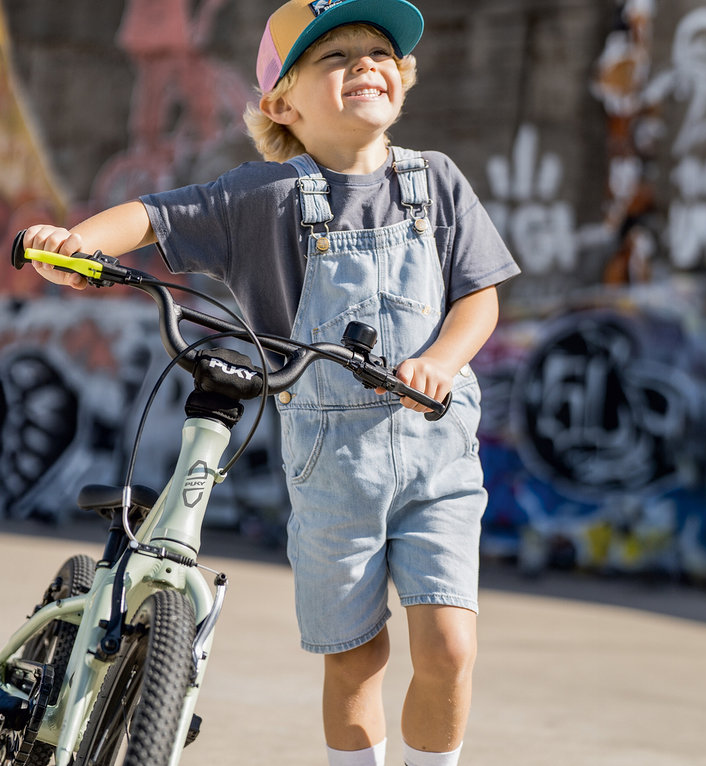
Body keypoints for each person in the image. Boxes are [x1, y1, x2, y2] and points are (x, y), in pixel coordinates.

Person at [23, 1, 520, 765]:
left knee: (450, 646)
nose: (363, 63)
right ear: (282, 102)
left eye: (378, 52)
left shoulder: (436, 183)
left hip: (437, 459)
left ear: (403, 79)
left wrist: (444, 360)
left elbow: (479, 296)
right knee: (357, 657)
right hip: (335, 469)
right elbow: (151, 217)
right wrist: (76, 244)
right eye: (335, 56)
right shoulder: (265, 197)